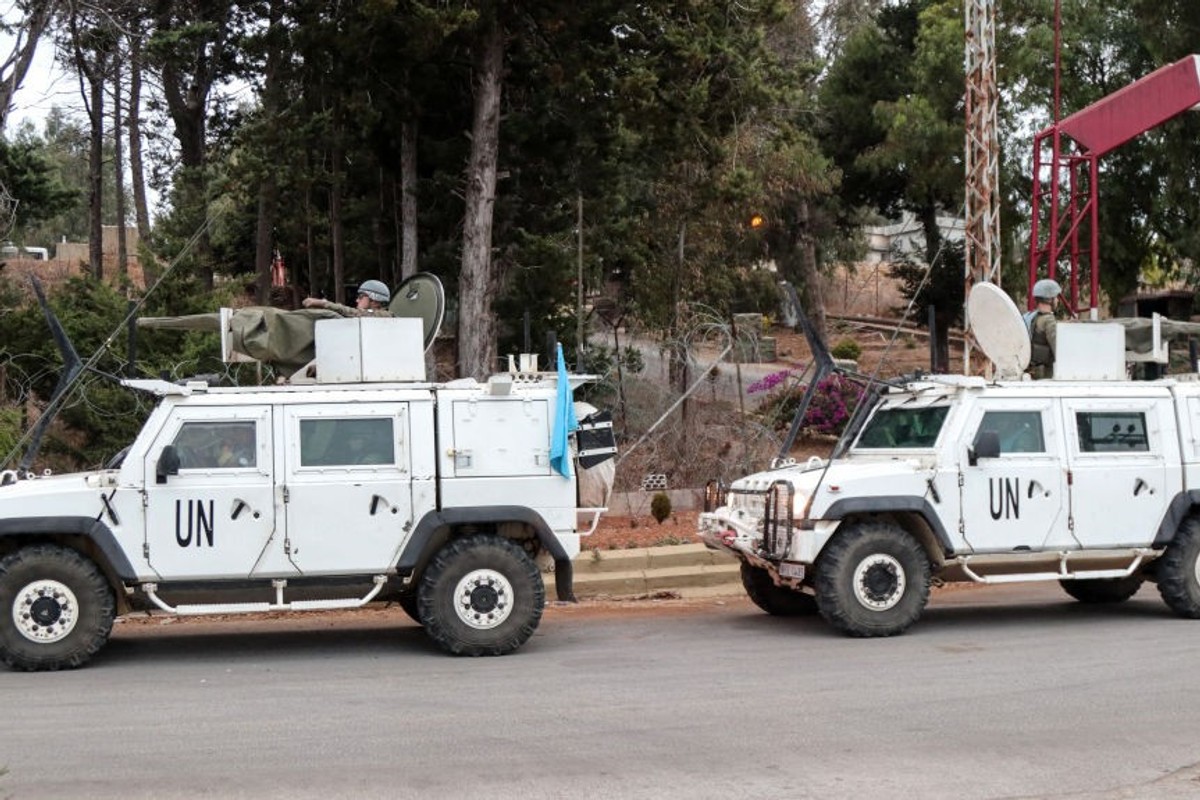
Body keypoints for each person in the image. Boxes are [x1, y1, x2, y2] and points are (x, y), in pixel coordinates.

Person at [1024, 278, 1060, 379]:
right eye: (1056, 297)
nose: (1057, 300)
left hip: (1032, 373)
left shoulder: (1030, 317)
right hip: (1045, 376)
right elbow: (1058, 350)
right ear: (1049, 299)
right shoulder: (1049, 321)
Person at [302, 280, 392, 318]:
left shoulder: (384, 316)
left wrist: (324, 303)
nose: (357, 300)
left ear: (375, 301)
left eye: (361, 296)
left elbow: (354, 312)